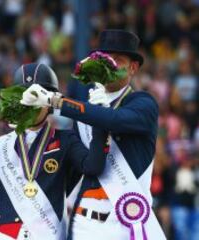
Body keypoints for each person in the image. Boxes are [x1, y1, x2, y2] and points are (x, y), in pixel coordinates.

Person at [20, 30, 167, 239]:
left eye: (118, 60)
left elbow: (113, 120)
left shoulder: (143, 104)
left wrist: (57, 102)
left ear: (133, 68)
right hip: (85, 224)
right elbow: (81, 169)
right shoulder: (85, 113)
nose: (110, 66)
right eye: (105, 60)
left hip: (126, 222)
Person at [0, 63, 109, 240]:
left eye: (37, 98)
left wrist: (99, 118)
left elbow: (93, 167)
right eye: (26, 96)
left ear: (49, 102)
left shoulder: (66, 140)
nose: (32, 105)